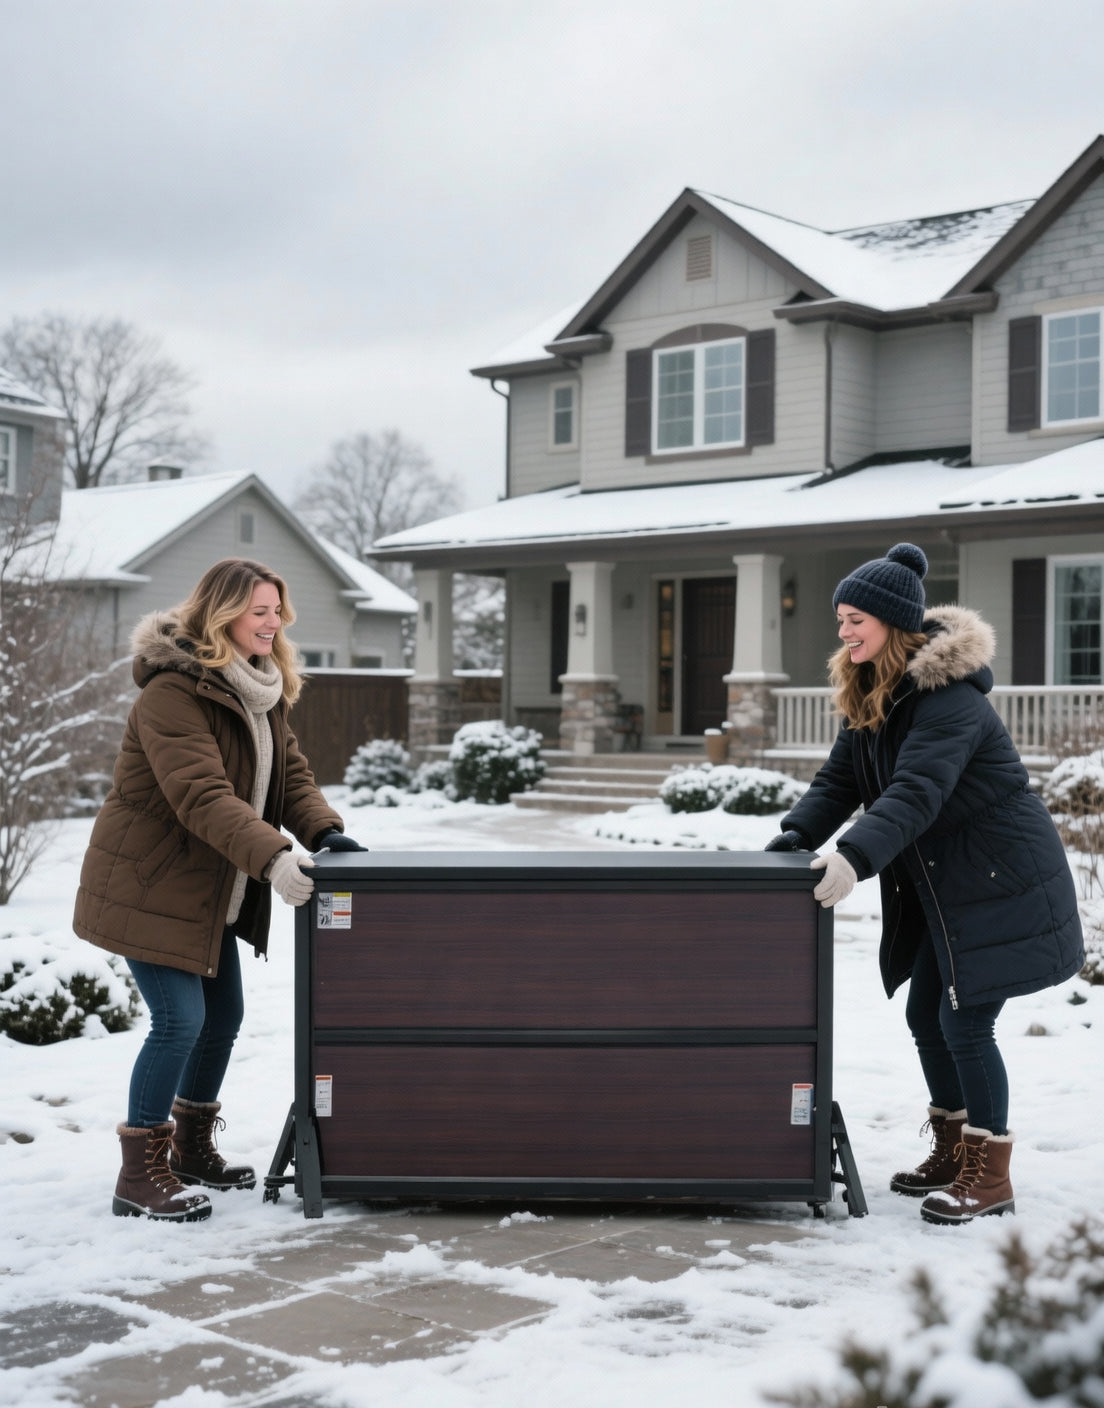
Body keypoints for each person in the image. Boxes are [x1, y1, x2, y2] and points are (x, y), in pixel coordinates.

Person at [765, 543, 1083, 1225]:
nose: (845, 631)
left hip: (1000, 878)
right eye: (841, 619)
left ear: (892, 622)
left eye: (856, 619)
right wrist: (796, 838)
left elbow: (916, 792)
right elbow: (840, 780)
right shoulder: (874, 692)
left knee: (964, 1022)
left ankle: (988, 1175)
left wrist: (853, 857)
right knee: (925, 1015)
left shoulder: (948, 701)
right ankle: (952, 1148)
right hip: (951, 883)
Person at [73, 558, 366, 1222]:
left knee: (223, 1019)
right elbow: (200, 795)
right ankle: (138, 1174)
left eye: (278, 610)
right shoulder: (172, 694)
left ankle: (190, 1150)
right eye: (260, 610)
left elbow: (288, 775)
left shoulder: (262, 689)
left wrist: (323, 832)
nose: (275, 622)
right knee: (181, 1022)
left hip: (205, 890)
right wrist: (273, 859)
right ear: (222, 614)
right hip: (149, 884)